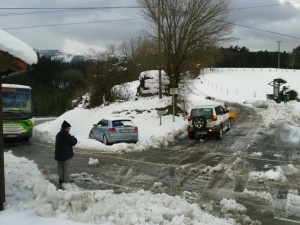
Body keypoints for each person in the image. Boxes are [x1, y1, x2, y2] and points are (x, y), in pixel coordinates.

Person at [55, 120, 77, 186]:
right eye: (68, 128)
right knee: (66, 169)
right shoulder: (66, 135)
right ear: (65, 128)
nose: (69, 129)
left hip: (59, 155)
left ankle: (61, 179)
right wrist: (73, 138)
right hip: (66, 155)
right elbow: (73, 142)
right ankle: (66, 181)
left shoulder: (59, 134)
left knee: (60, 168)